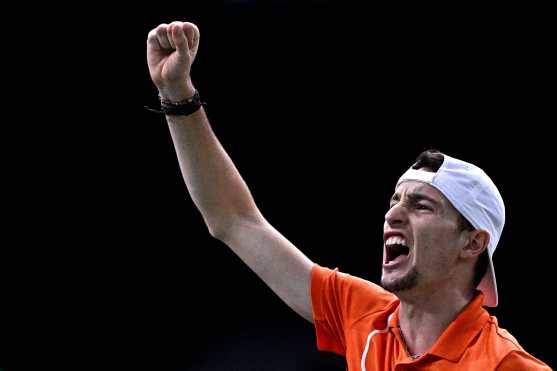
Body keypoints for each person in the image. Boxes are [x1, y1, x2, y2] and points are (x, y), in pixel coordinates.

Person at [146, 21, 551, 370]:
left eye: (421, 205)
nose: (393, 215)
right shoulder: (364, 315)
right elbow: (233, 220)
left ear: (473, 242)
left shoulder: (504, 363)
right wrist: (178, 96)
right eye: (394, 201)